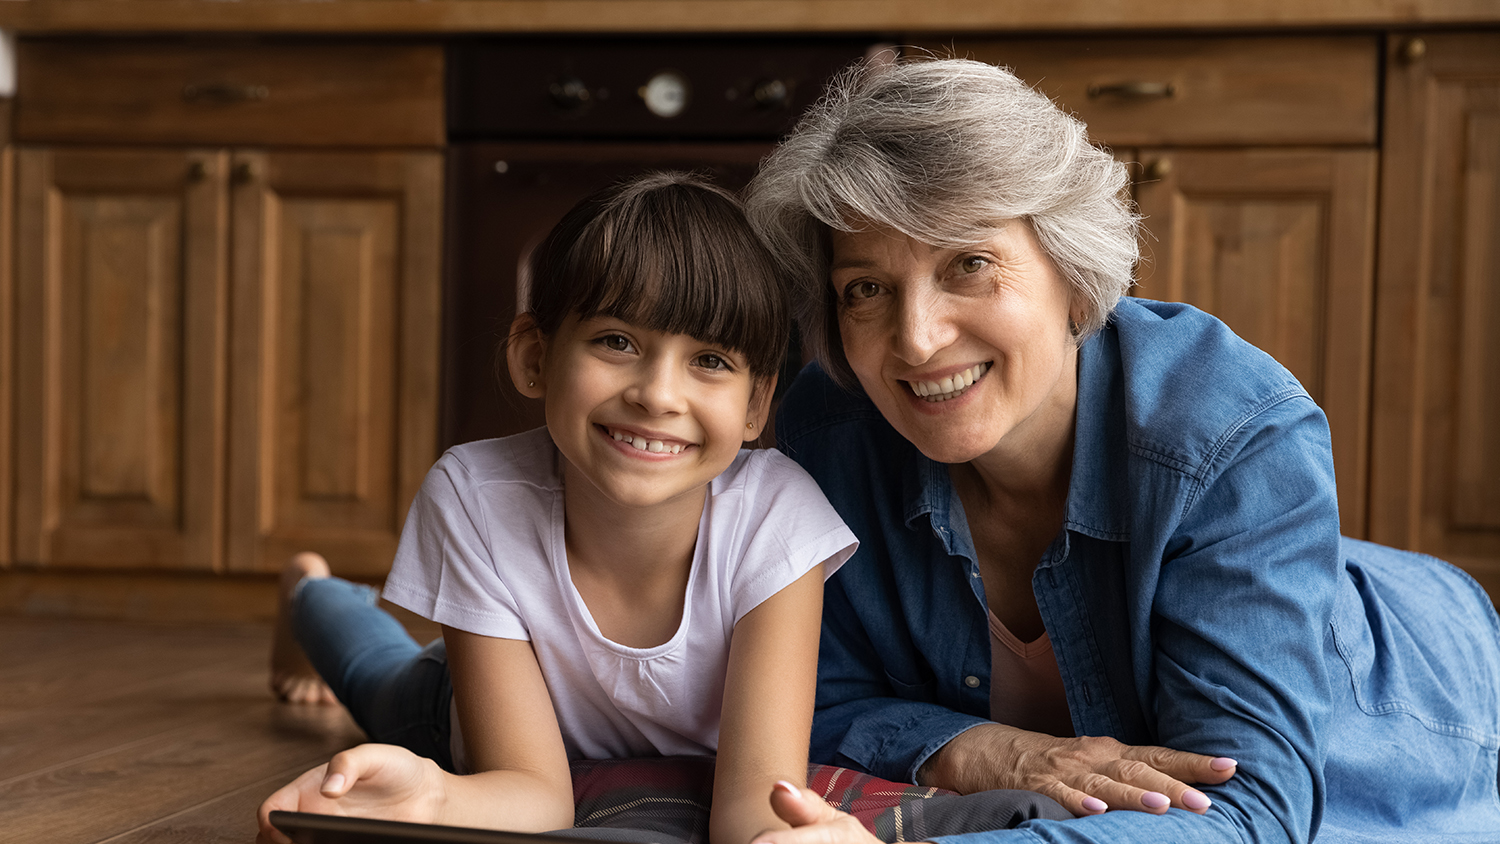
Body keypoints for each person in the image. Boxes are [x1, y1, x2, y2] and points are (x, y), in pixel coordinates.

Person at [741, 57, 1500, 844]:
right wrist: (992, 752)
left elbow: (1252, 815)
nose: (917, 339)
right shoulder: (824, 434)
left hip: (1420, 707)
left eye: (969, 264)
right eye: (866, 288)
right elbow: (814, 699)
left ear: (1072, 274)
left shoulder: (1236, 433)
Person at [255, 172, 862, 844]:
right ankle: (307, 591)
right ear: (534, 356)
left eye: (710, 360)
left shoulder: (778, 519)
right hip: (463, 707)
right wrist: (429, 798)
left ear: (755, 405)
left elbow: (754, 804)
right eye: (617, 342)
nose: (658, 395)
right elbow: (535, 796)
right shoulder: (475, 496)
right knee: (377, 676)